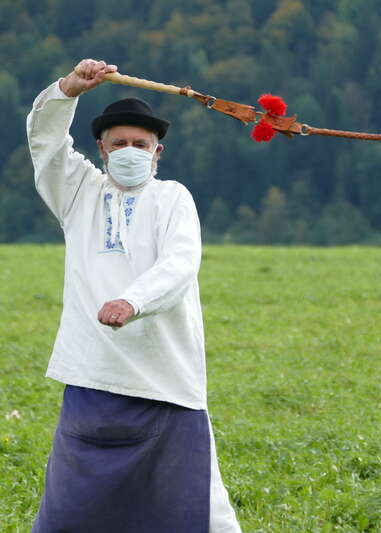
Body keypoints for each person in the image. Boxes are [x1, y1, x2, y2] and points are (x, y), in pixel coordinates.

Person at [26, 58, 242, 533]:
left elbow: (180, 263)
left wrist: (133, 301)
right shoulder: (78, 193)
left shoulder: (173, 198)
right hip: (92, 377)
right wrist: (68, 89)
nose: (129, 151)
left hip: (167, 380)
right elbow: (45, 143)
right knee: (71, 513)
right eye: (118, 143)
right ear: (101, 149)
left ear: (157, 151)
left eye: (139, 144)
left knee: (196, 511)